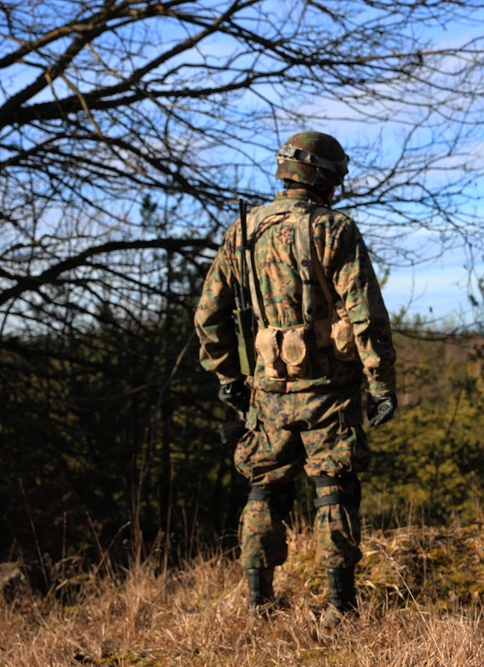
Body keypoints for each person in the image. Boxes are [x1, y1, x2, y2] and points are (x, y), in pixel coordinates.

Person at [195, 131, 398, 625]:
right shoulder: (336, 229)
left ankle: (257, 602)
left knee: (264, 488)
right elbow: (366, 315)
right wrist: (381, 383)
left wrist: (228, 377)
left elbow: (208, 317)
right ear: (325, 176)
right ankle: (339, 606)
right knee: (334, 488)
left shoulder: (243, 231)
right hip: (329, 391)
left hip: (266, 392)